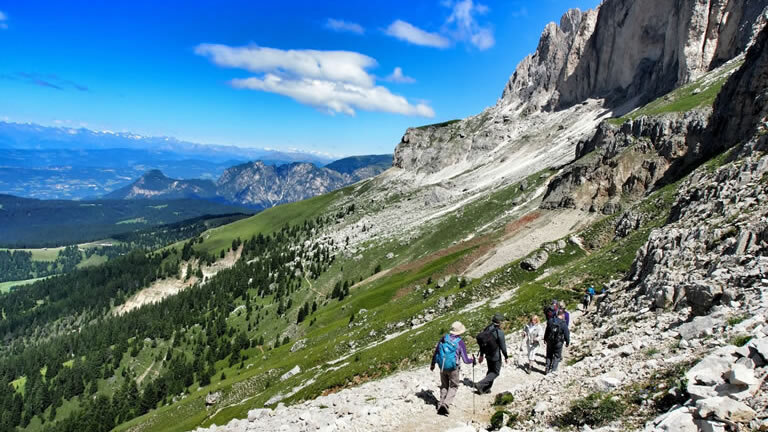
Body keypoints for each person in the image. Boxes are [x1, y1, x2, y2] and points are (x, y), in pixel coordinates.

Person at [430, 321, 475, 415]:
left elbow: (437, 351)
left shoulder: (443, 338)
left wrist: (433, 364)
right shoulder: (460, 342)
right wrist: (472, 360)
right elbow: (466, 360)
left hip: (442, 366)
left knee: (444, 385)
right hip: (453, 368)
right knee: (454, 386)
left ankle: (440, 404)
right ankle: (446, 404)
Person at [475, 313, 508, 394]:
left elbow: (482, 343)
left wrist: (481, 355)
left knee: (490, 370)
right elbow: (503, 346)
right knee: (495, 372)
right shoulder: (499, 332)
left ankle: (485, 388)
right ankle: (480, 384)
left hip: (487, 354)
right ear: (499, 322)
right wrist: (506, 356)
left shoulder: (487, 328)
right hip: (495, 355)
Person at [544, 309, 570, 374]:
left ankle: (547, 368)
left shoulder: (550, 321)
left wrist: (545, 338)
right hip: (558, 342)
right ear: (562, 315)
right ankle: (553, 371)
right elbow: (567, 333)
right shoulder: (563, 323)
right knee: (557, 356)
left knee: (549, 355)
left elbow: (547, 331)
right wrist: (567, 342)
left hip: (550, 341)